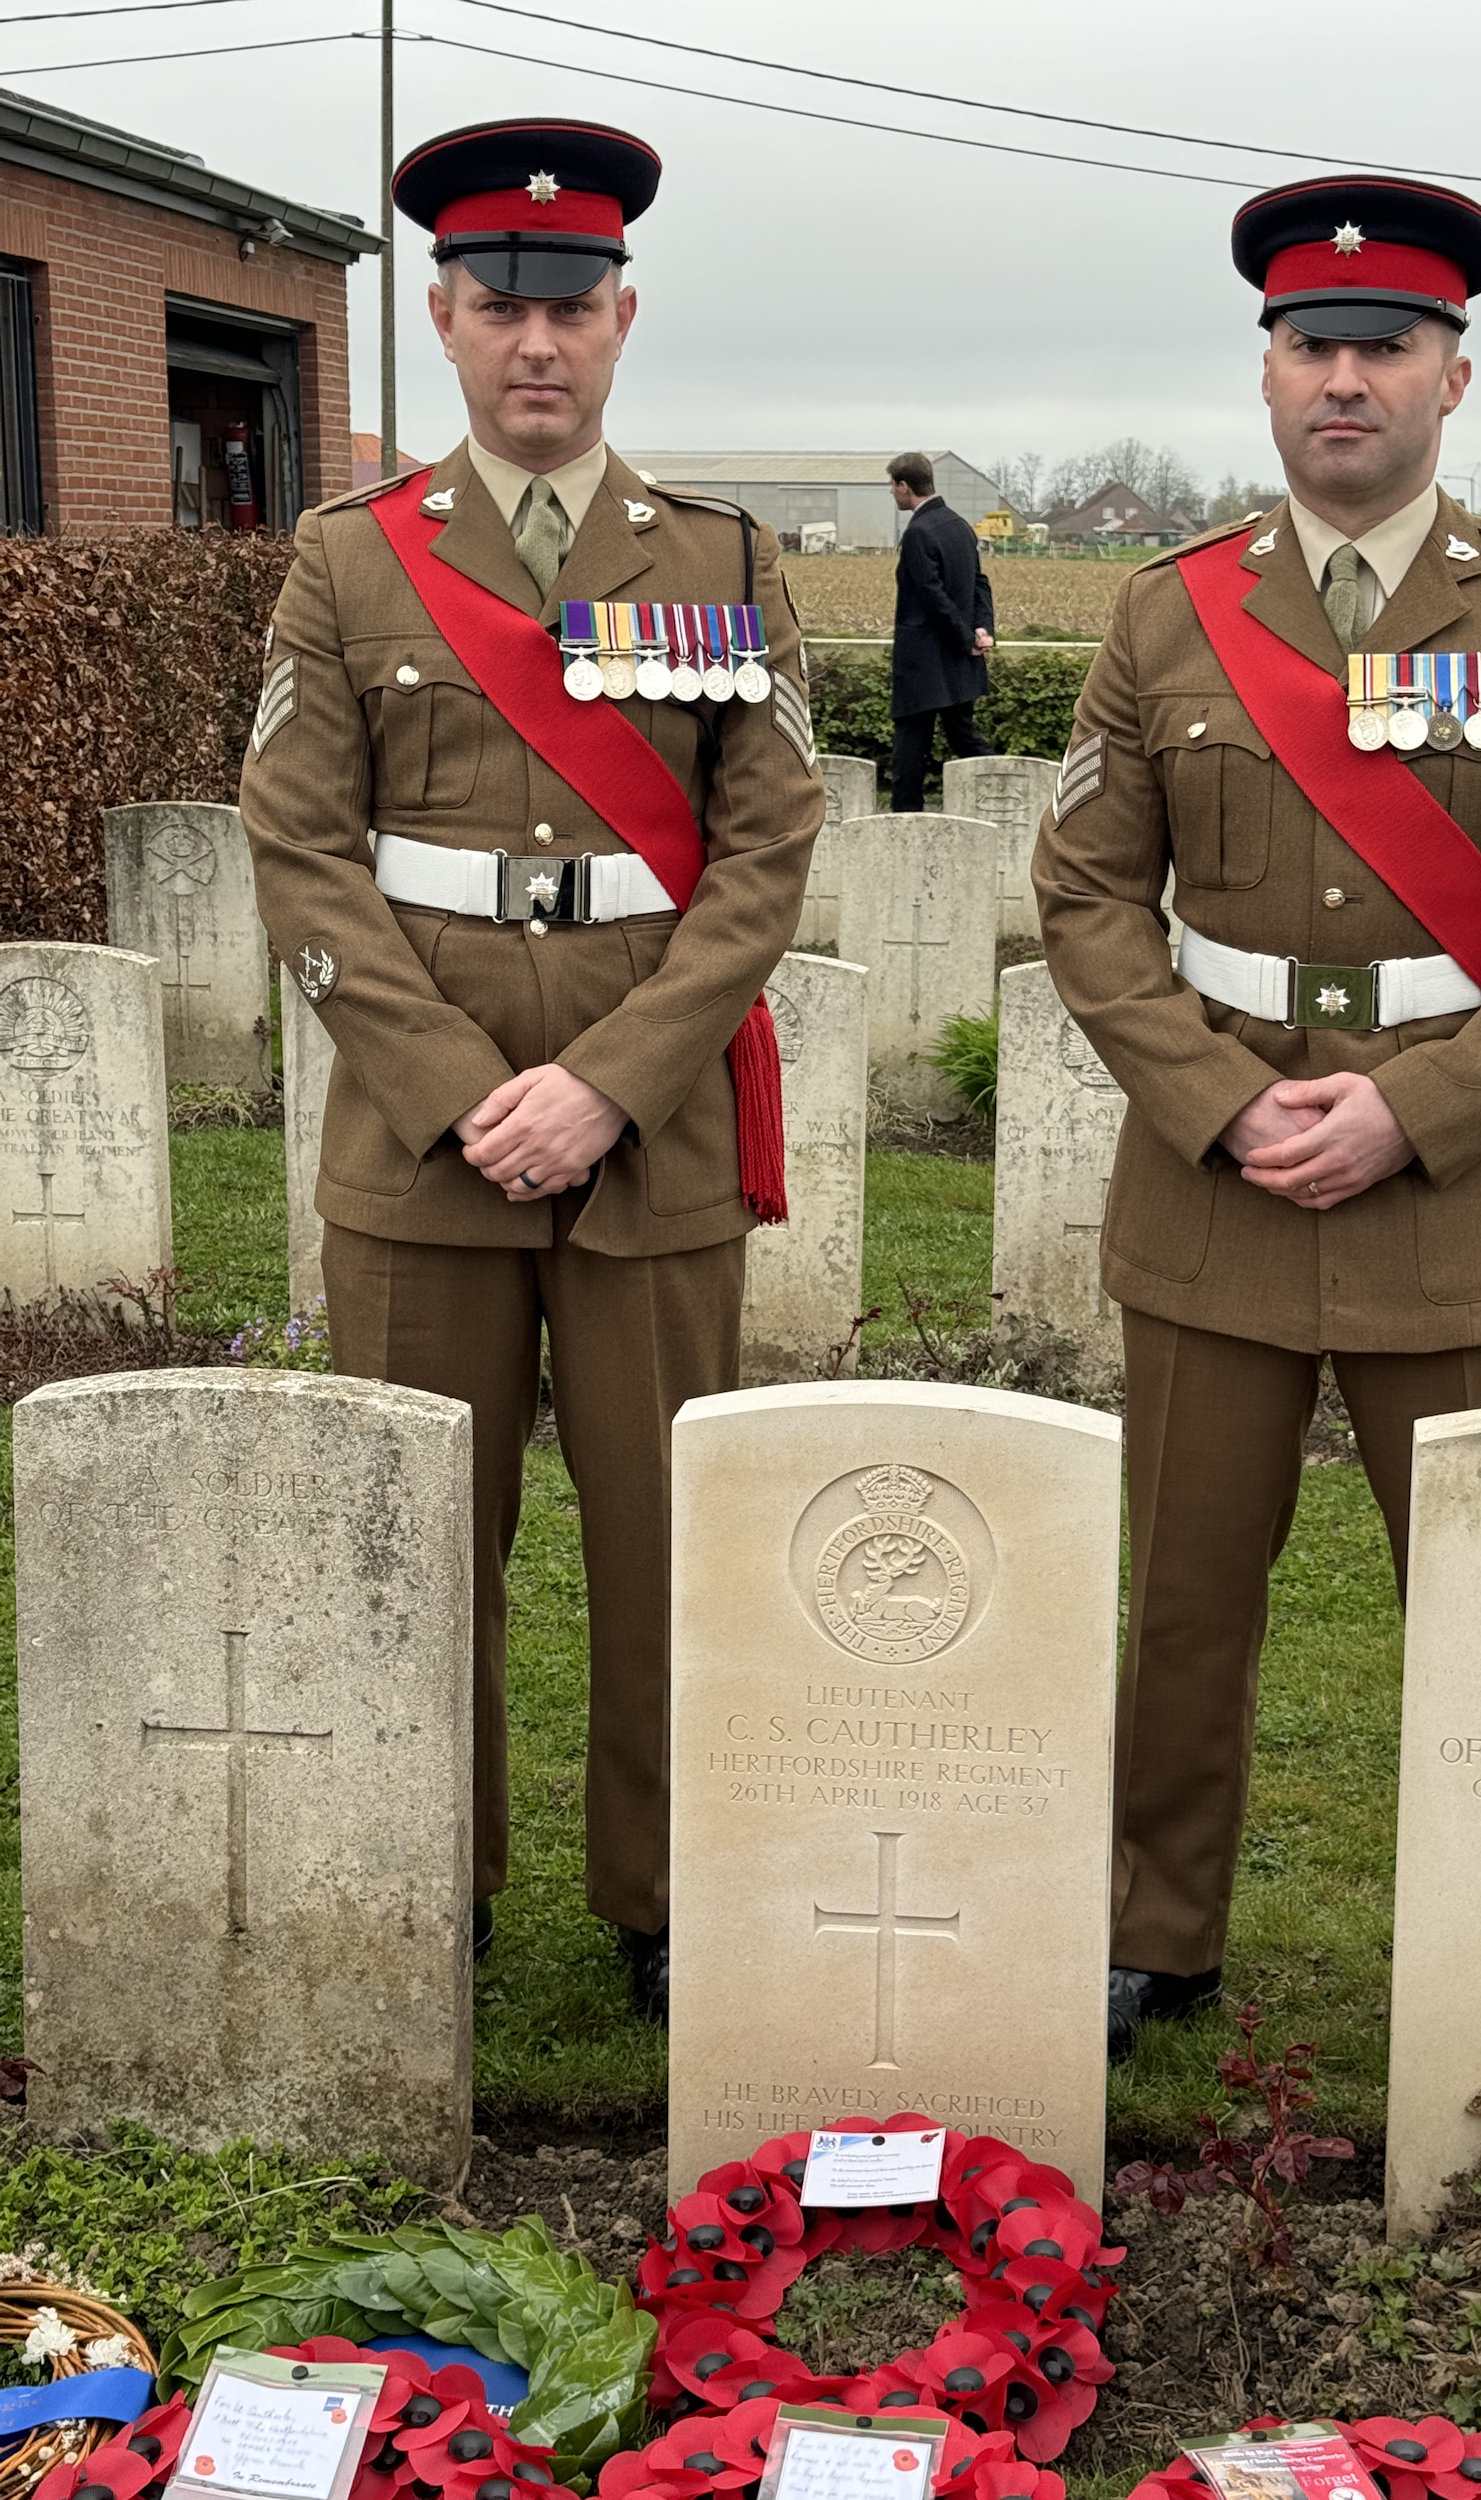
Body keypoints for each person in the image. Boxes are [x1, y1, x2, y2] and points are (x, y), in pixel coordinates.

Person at [1030, 174, 1481, 2060]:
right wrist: (1223, 1107)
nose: (1344, 381)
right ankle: (1156, 1928)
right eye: (1311, 347)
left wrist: (1416, 1117)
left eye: (1383, 348)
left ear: (1453, 377)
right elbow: (1086, 892)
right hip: (1216, 1181)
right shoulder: (1166, 622)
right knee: (1186, 1599)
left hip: (1455, 1191)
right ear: (1265, 372)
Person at [239, 116, 822, 2017]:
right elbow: (300, 847)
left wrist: (615, 1080)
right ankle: (438, 1877)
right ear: (443, 316)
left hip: (642, 1142)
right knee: (428, 1543)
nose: (537, 343)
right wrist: (447, 1084)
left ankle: (664, 1899)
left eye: (573, 307)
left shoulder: (722, 561)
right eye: (500, 306)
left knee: (668, 1540)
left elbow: (764, 859)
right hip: (426, 1146)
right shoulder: (348, 562)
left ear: (626, 315)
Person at [886, 451, 995, 810]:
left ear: (905, 485)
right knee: (966, 740)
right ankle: (1003, 801)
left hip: (924, 664)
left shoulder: (919, 532)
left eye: (892, 485)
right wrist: (981, 630)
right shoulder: (959, 525)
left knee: (910, 753)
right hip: (958, 659)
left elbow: (932, 598)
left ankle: (904, 823)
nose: (891, 492)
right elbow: (979, 583)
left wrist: (966, 639)